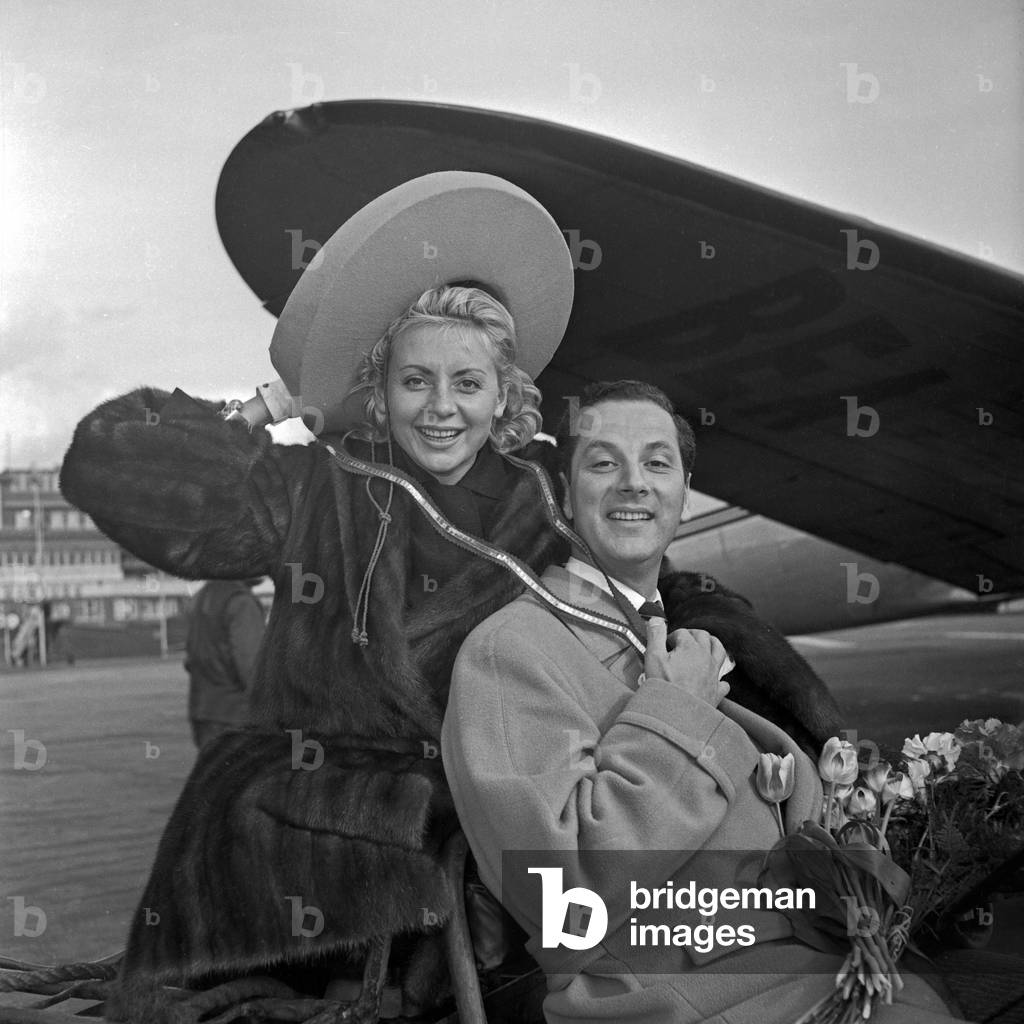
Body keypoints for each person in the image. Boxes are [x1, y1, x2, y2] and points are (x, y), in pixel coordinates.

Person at [59, 172, 576, 1020]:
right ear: (378, 390)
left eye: (468, 384)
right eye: (414, 381)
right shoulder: (316, 488)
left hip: (481, 862)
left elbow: (658, 605)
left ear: (506, 398)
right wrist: (260, 409)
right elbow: (108, 467)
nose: (440, 409)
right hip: (286, 852)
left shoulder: (555, 515)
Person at [442, 380, 964, 1024]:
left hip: (793, 965)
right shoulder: (510, 649)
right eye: (604, 463)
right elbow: (562, 895)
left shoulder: (676, 640)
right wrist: (674, 707)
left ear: (683, 496)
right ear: (565, 497)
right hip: (675, 995)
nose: (635, 483)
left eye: (658, 464)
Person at [184, 578, 265, 748]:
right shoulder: (241, 602)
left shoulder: (199, 598)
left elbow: (190, 661)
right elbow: (251, 669)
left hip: (202, 711)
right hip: (235, 714)